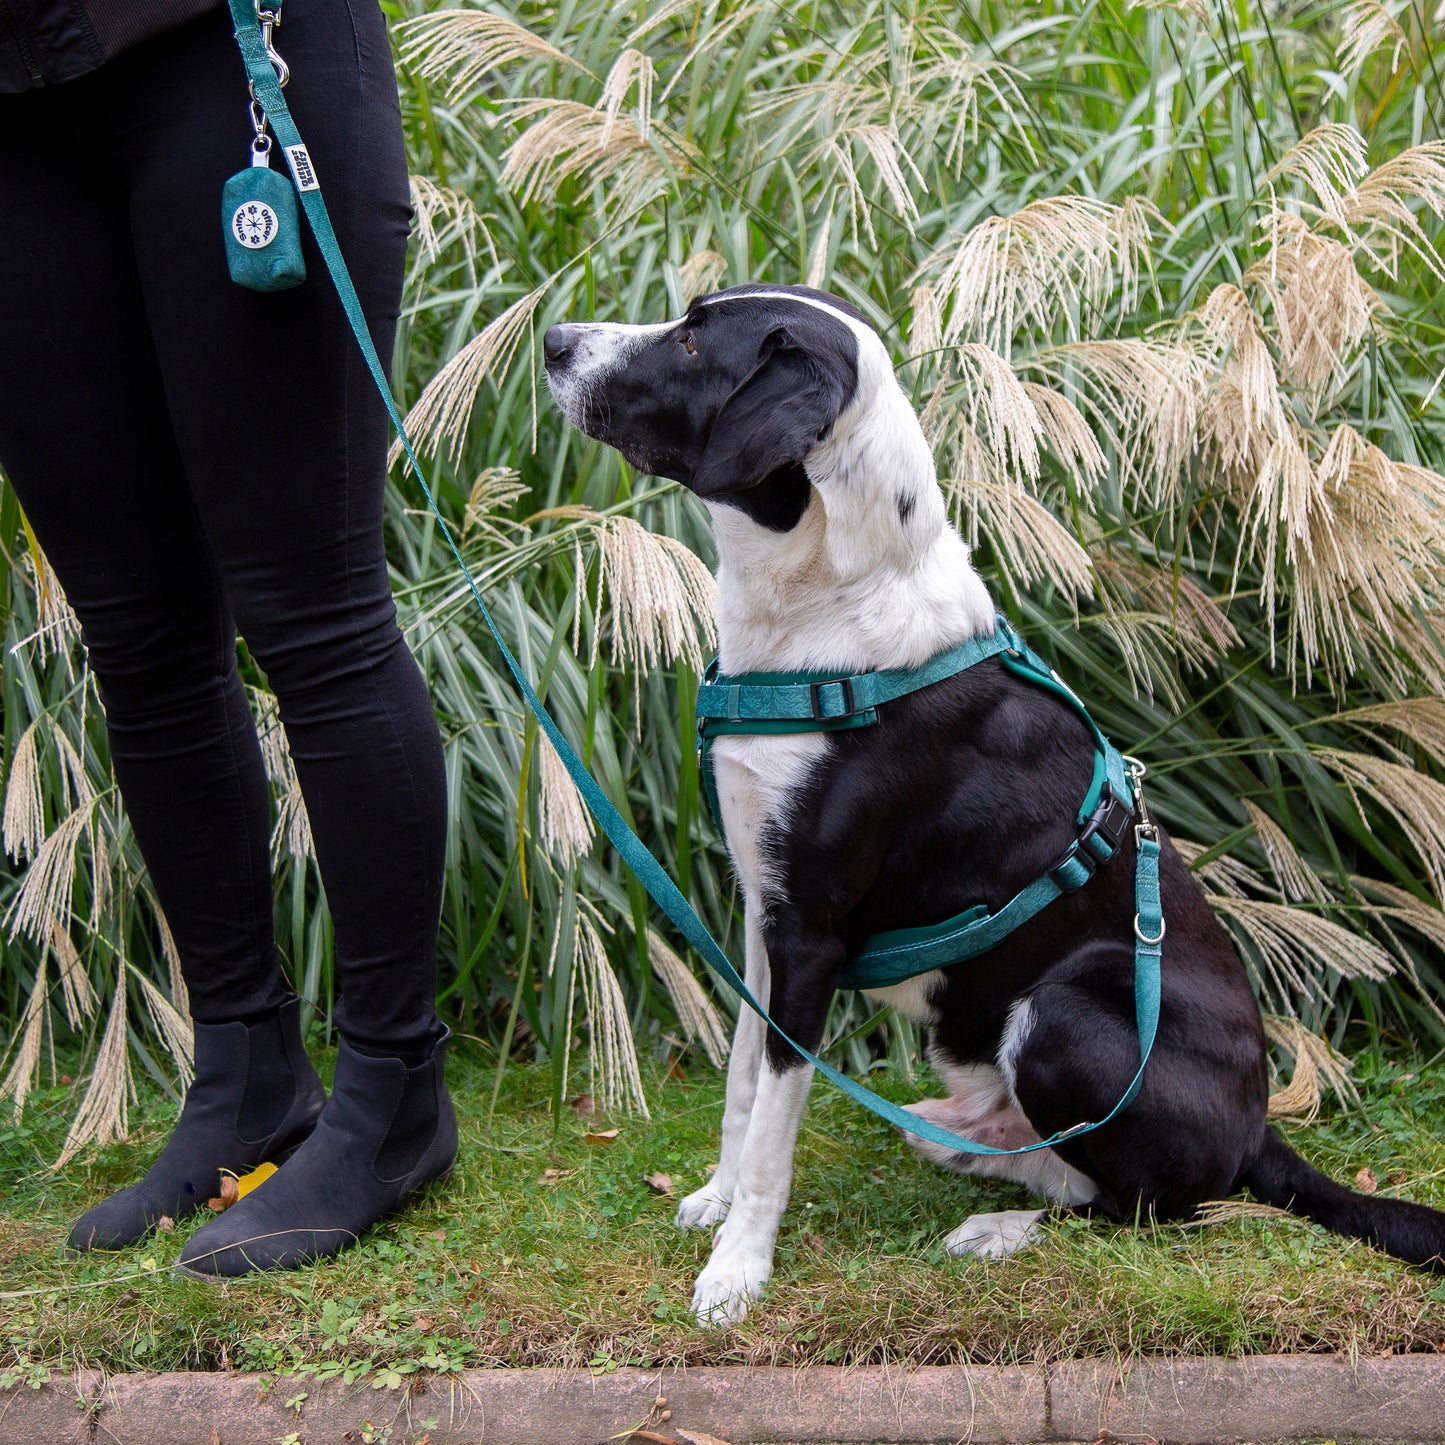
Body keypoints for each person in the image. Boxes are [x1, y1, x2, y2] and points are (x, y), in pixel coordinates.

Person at [0, 0, 457, 1275]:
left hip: (237, 58)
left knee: (313, 613)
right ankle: (247, 1070)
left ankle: (394, 1091)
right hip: (17, 113)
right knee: (140, 642)